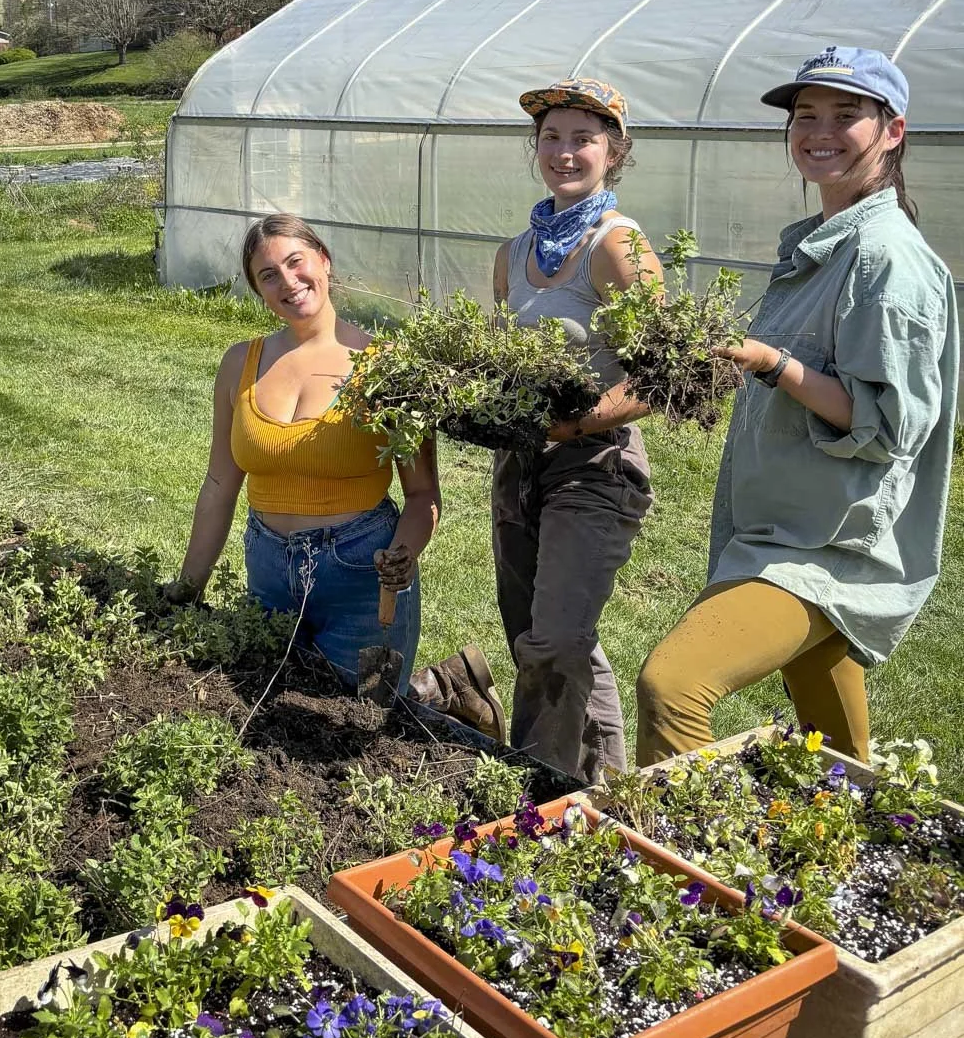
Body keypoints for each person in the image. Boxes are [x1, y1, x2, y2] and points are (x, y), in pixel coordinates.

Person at [636, 46, 959, 766]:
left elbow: (889, 425)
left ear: (892, 130)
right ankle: (847, 850)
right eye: (804, 115)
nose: (819, 130)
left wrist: (773, 364)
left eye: (846, 115)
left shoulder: (883, 260)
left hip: (824, 544)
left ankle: (695, 871)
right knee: (835, 743)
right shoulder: (821, 243)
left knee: (672, 687)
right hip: (787, 523)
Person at [411, 78, 661, 782]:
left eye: (583, 136)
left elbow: (661, 376)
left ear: (613, 150)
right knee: (541, 637)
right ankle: (602, 788)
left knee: (555, 640)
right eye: (550, 136)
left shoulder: (620, 246)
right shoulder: (512, 253)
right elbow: (503, 364)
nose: (564, 151)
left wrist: (573, 422)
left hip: (594, 465)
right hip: (520, 468)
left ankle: (533, 790)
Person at [165, 213, 440, 697]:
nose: (288, 282)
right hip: (268, 570)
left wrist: (403, 554)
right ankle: (447, 691)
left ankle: (446, 694)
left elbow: (422, 494)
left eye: (296, 263)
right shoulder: (240, 363)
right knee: (266, 719)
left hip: (361, 573)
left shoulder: (390, 366)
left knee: (362, 723)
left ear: (324, 261)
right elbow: (218, 486)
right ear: (258, 290)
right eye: (268, 275)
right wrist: (188, 588)